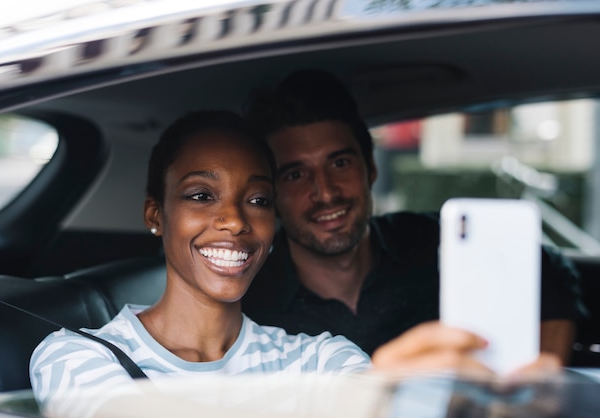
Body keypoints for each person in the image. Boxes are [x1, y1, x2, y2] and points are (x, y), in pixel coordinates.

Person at [29, 111, 372, 418]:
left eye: (258, 200)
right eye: (201, 196)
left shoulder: (322, 359)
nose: (236, 221)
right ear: (156, 215)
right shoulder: (73, 356)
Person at [241, 69, 586, 365]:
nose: (326, 192)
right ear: (272, 192)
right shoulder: (252, 301)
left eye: (340, 163)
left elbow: (549, 269)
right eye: (296, 175)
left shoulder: (434, 242)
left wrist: (538, 379)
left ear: (371, 167)